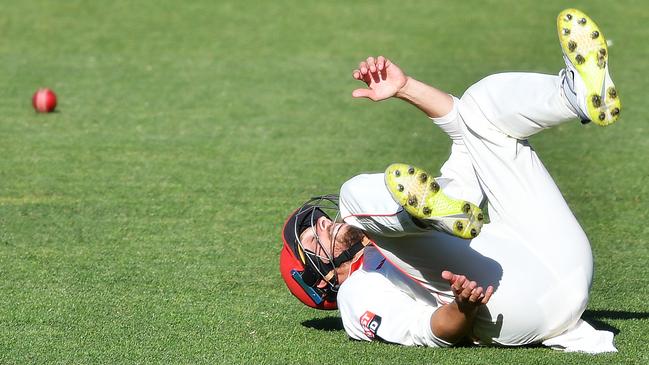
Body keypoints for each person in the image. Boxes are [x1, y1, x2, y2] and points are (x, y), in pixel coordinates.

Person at [279, 8, 619, 353]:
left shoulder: (423, 218)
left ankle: (572, 94)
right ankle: (420, 217)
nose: (323, 221)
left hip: (561, 260)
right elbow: (431, 332)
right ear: (320, 279)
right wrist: (464, 306)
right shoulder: (355, 294)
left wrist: (405, 87)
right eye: (312, 234)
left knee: (479, 108)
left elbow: (463, 129)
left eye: (317, 222)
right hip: (505, 303)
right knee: (352, 197)